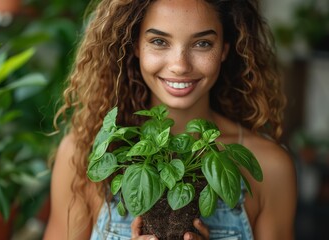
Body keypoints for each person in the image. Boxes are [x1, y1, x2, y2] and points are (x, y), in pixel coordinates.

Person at [43, 0, 297, 239]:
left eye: (202, 44)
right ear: (135, 47)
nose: (180, 65)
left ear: (224, 50)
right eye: (159, 41)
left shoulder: (270, 166)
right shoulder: (83, 155)